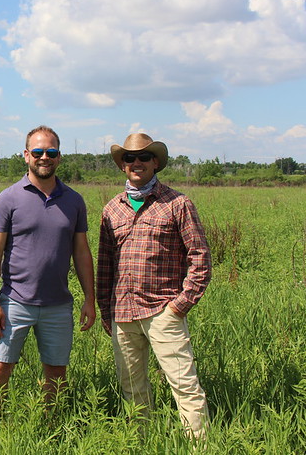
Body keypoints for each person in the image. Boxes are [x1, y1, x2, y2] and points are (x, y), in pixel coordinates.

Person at [0, 125, 96, 437]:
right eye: (38, 152)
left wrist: (89, 298)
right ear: (26, 155)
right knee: (0, 369)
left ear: (59, 156)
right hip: (15, 301)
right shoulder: (8, 199)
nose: (45, 157)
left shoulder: (73, 201)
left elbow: (82, 252)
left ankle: (47, 431)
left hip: (58, 304)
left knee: (56, 373)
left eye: (51, 152)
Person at [97, 133, 211, 440]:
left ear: (156, 163)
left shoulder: (177, 204)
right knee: (131, 387)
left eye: (144, 157)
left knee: (184, 386)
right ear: (123, 166)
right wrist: (106, 312)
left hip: (164, 311)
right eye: (130, 158)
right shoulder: (112, 210)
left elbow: (200, 258)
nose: (137, 163)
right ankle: (139, 442)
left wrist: (179, 305)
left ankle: (200, 445)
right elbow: (105, 266)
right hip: (123, 313)